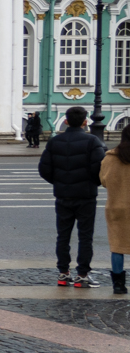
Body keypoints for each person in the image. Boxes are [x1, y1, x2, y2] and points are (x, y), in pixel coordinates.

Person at [39, 105, 107, 287]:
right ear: (86, 122)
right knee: (85, 236)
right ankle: (82, 275)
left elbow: (44, 169)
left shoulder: (55, 141)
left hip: (63, 195)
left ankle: (63, 273)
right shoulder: (92, 141)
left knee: (63, 235)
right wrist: (92, 182)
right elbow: (100, 168)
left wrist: (59, 182)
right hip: (86, 196)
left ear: (66, 121)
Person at [101, 122, 130, 294]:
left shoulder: (111, 158)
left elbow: (104, 181)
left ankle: (118, 284)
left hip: (117, 207)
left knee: (117, 246)